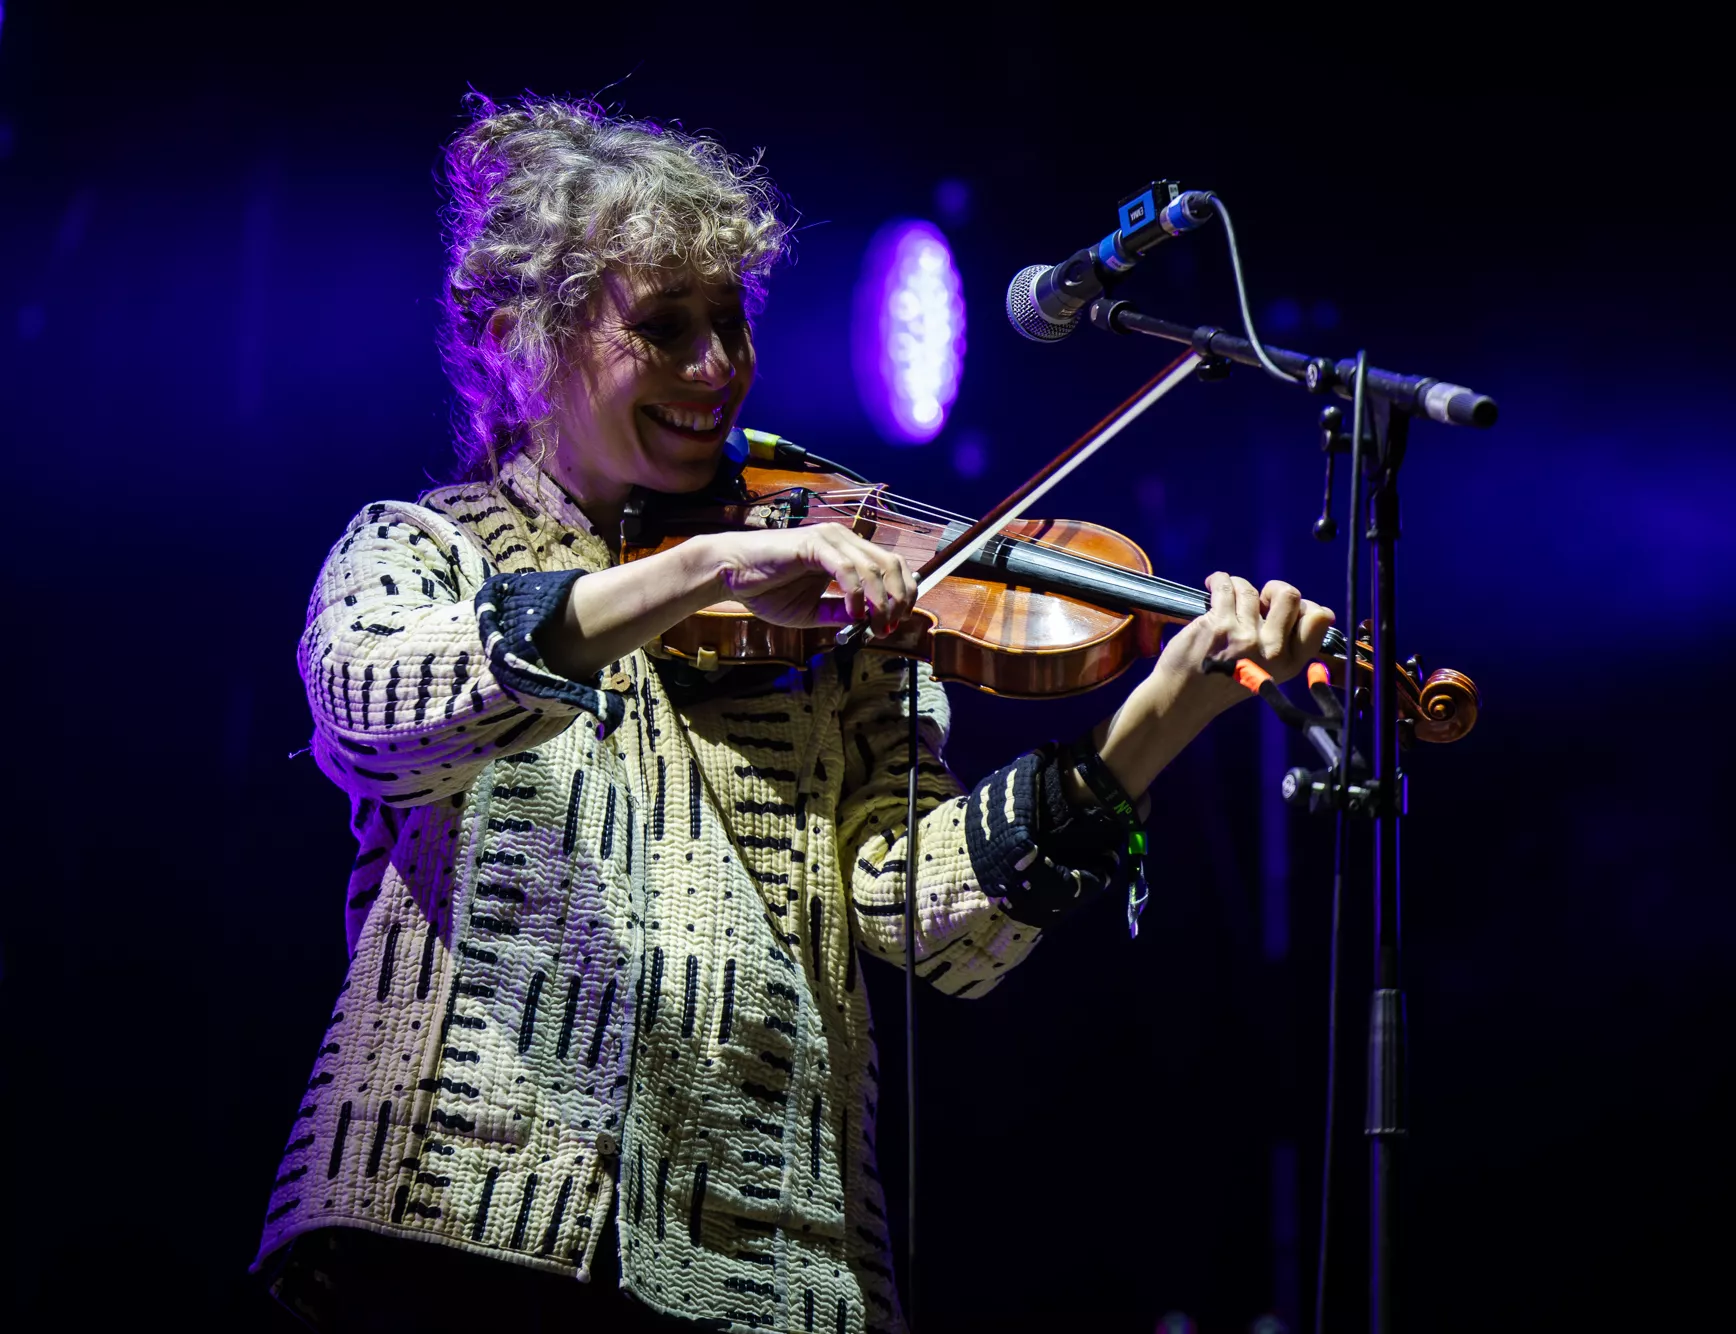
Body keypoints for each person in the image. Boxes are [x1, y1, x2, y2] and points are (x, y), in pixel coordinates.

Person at [254, 92, 1332, 1333]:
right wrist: (699, 568)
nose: (716, 369)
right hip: (455, 1224)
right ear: (518, 342)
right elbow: (384, 712)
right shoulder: (422, 549)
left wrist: (1158, 717)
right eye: (663, 328)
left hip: (770, 1254)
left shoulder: (834, 612)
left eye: (731, 322)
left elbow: (926, 922)